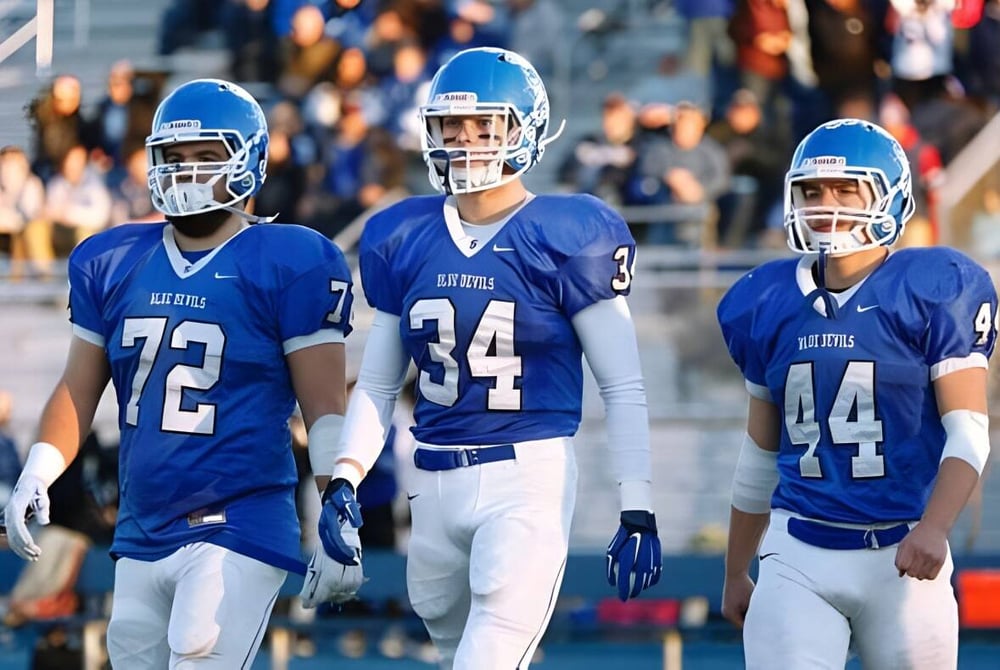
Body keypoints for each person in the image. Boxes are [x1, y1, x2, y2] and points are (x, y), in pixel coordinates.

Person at [307, 47, 663, 669]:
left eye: (485, 126)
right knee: (455, 655)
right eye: (452, 126)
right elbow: (378, 384)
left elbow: (623, 386)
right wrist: (344, 479)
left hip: (525, 476)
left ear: (523, 128)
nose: (466, 140)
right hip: (431, 482)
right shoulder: (404, 235)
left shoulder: (568, 233)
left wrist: (637, 503)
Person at [1, 78, 359, 669]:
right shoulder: (111, 259)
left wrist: (333, 506)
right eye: (175, 157)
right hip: (143, 525)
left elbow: (324, 408)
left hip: (239, 516)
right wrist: (37, 470)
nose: (187, 171)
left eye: (206, 157)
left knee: (198, 651)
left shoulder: (291, 260)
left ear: (248, 160)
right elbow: (78, 387)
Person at [716, 118, 996, 669]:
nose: (827, 204)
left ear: (889, 197)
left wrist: (936, 527)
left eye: (847, 189)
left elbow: (969, 431)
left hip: (903, 550)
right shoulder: (765, 300)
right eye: (812, 191)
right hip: (797, 551)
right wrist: (734, 569)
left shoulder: (934, 288)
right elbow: (759, 456)